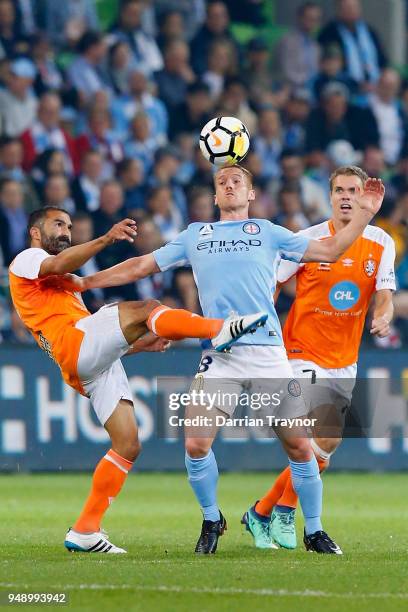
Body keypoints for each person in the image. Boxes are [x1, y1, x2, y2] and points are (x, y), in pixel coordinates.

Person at [57, 164, 385, 555]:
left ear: (251, 194)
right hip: (220, 355)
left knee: (300, 447)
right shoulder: (197, 235)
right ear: (215, 196)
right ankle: (212, 518)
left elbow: (331, 249)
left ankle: (313, 531)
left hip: (267, 355)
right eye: (222, 183)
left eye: (237, 182)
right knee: (195, 442)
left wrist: (364, 213)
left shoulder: (268, 231)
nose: (229, 186)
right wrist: (87, 281)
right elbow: (143, 264)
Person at [8, 205, 266, 553]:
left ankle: (85, 530)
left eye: (69, 225)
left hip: (85, 363)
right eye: (58, 224)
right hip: (74, 343)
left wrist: (139, 345)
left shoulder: (61, 287)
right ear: (35, 232)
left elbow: (97, 345)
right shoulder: (27, 258)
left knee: (127, 444)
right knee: (147, 309)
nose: (66, 231)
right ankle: (217, 330)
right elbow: (57, 265)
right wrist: (105, 238)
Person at [243, 165, 395, 550]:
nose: (346, 196)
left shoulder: (381, 242)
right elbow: (272, 284)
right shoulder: (306, 240)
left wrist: (383, 315)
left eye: (353, 191)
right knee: (310, 434)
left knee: (324, 447)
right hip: (300, 351)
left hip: (345, 358)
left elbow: (385, 293)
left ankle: (262, 511)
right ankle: (293, 518)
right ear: (330, 197)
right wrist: (259, 327)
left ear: (364, 198)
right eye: (340, 190)